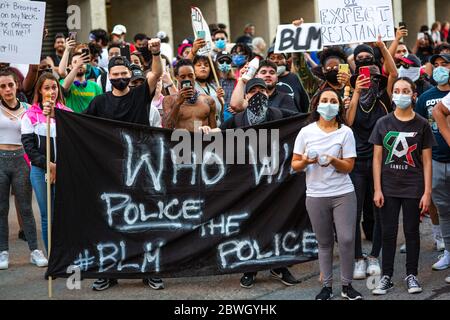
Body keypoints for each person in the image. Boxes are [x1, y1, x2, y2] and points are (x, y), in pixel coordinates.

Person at [200, 78, 298, 288]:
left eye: (261, 90)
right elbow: (221, 132)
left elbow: (302, 123)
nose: (257, 94)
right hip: (247, 183)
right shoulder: (237, 120)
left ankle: (279, 265)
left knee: (275, 223)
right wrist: (208, 131)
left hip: (274, 182)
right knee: (249, 225)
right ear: (245, 97)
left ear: (268, 94)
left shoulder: (279, 115)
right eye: (252, 91)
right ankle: (249, 269)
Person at [84, 39, 165, 291]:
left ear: (130, 76)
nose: (120, 77)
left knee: (144, 221)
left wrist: (155, 52)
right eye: (115, 74)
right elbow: (80, 126)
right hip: (108, 171)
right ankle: (108, 271)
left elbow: (157, 73)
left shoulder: (141, 95)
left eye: (124, 74)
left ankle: (149, 270)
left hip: (140, 169)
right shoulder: (99, 102)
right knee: (110, 222)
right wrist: (52, 115)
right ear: (109, 76)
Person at [291, 88, 362, 300]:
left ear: (339, 106)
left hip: (343, 193)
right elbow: (295, 164)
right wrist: (306, 161)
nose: (329, 104)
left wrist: (333, 160)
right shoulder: (306, 132)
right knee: (324, 242)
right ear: (317, 105)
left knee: (347, 239)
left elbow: (349, 166)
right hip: (316, 194)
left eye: (333, 100)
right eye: (325, 100)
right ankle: (327, 286)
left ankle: (347, 286)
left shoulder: (345, 132)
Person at [370, 77, 436, 295]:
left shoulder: (422, 124)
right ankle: (386, 276)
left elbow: (427, 161)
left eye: (406, 90)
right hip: (388, 187)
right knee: (388, 232)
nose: (401, 94)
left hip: (413, 187)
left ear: (413, 94)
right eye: (397, 90)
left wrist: (427, 192)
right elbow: (377, 159)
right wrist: (378, 188)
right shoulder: (383, 123)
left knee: (411, 232)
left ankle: (411, 275)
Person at [346, 38, 397, 280]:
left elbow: (394, 73)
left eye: (375, 77)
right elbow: (348, 121)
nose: (371, 79)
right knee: (354, 213)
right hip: (356, 165)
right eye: (360, 62)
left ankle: (374, 256)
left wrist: (383, 47)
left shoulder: (384, 98)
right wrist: (356, 92)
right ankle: (357, 259)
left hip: (380, 164)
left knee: (378, 211)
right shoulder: (351, 95)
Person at [0, 69, 48, 270]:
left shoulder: (29, 108)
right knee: (1, 209)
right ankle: (3, 252)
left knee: (26, 208)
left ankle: (34, 251)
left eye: (10, 84)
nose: (7, 89)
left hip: (22, 160)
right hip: (0, 160)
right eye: (2, 86)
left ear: (17, 85)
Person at [21, 73, 72, 253]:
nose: (51, 91)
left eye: (54, 87)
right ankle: (52, 257)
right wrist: (48, 165)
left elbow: (73, 145)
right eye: (47, 88)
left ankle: (64, 255)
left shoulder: (67, 114)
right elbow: (29, 148)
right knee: (46, 215)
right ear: (40, 91)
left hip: (63, 170)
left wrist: (60, 166)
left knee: (63, 215)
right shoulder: (30, 115)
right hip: (39, 170)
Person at [415, 53, 450, 271]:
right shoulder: (424, 97)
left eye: (444, 64)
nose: (439, 68)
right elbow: (420, 129)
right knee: (444, 209)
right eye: (435, 65)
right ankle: (448, 251)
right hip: (436, 160)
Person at [163, 59, 217, 132]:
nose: (187, 79)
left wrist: (207, 129)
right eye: (183, 77)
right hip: (180, 142)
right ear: (177, 77)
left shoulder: (208, 100)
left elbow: (215, 132)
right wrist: (178, 103)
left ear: (195, 75)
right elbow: (167, 127)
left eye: (190, 75)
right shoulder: (169, 100)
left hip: (202, 142)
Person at [230, 60, 297, 115]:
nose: (268, 75)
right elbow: (236, 106)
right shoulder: (251, 97)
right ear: (256, 76)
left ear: (277, 78)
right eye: (263, 72)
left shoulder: (285, 98)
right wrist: (242, 80)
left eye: (272, 72)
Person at [267, 46, 310, 113]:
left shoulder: (297, 78)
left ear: (286, 61)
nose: (275, 61)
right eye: (272, 58)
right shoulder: (262, 80)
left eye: (280, 57)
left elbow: (305, 104)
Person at [193, 55, 225, 126]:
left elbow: (219, 112)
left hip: (216, 128)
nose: (203, 67)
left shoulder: (213, 87)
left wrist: (220, 100)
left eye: (206, 65)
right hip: (199, 129)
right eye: (199, 65)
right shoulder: (191, 86)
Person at [216, 51, 236, 122]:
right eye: (221, 61)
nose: (224, 63)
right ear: (216, 63)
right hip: (216, 117)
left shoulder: (235, 81)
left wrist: (237, 108)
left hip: (231, 118)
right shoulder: (212, 81)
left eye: (228, 62)